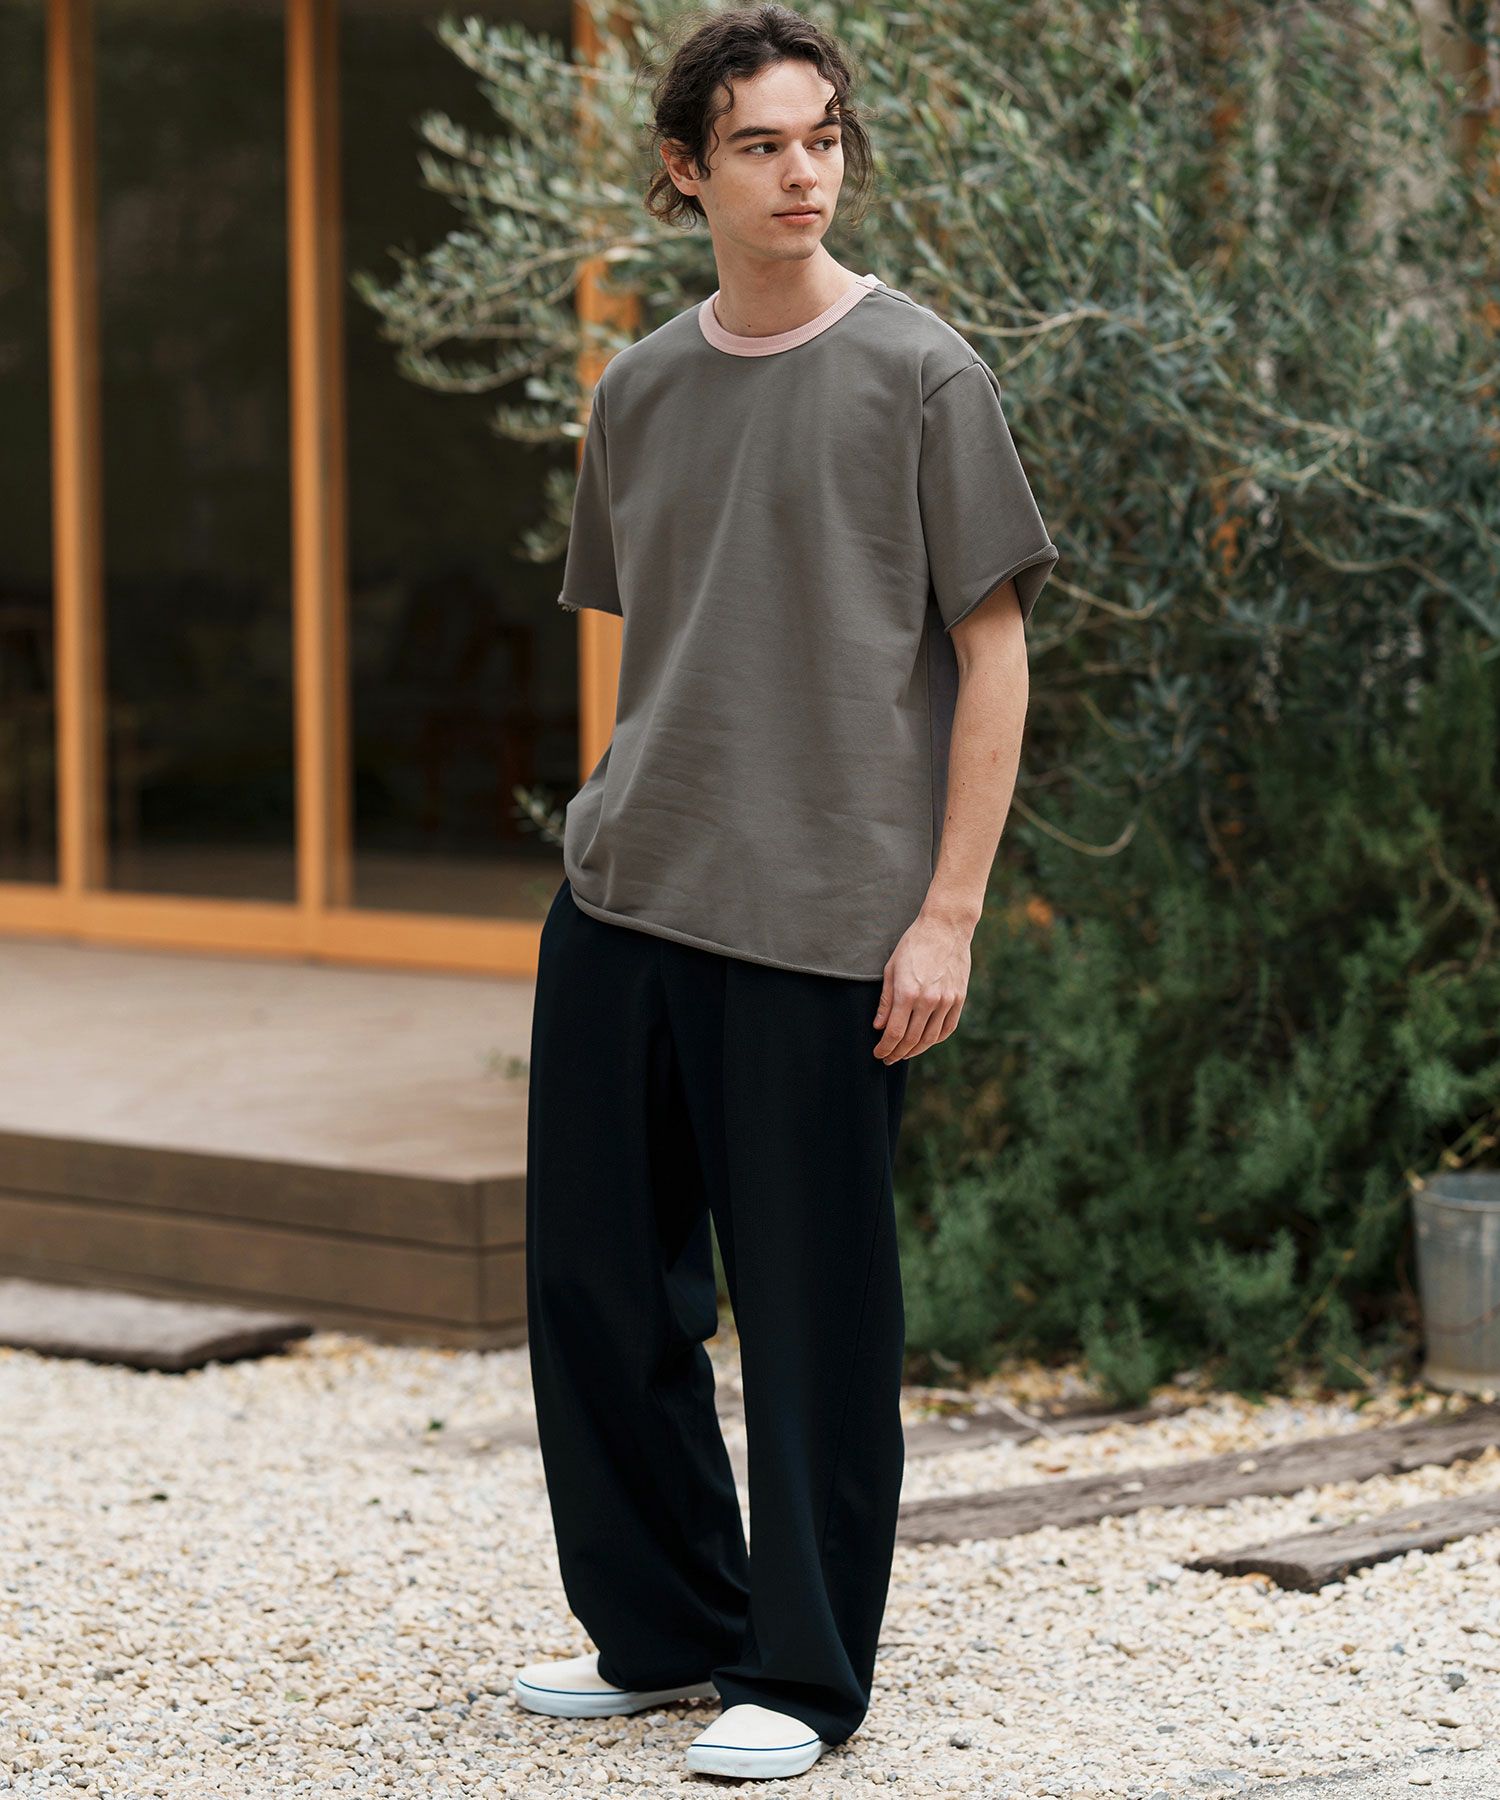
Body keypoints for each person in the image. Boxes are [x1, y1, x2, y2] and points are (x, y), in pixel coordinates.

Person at [514, 2, 1058, 1781]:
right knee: (599, 1291)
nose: (803, 173)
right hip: (627, 898)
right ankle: (668, 1628)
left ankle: (806, 1677)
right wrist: (612, 817)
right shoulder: (641, 389)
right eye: (761, 144)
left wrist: (948, 913)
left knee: (817, 1319)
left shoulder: (924, 374)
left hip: (828, 923)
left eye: (823, 138)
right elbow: (664, 638)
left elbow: (996, 658)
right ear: (688, 171)